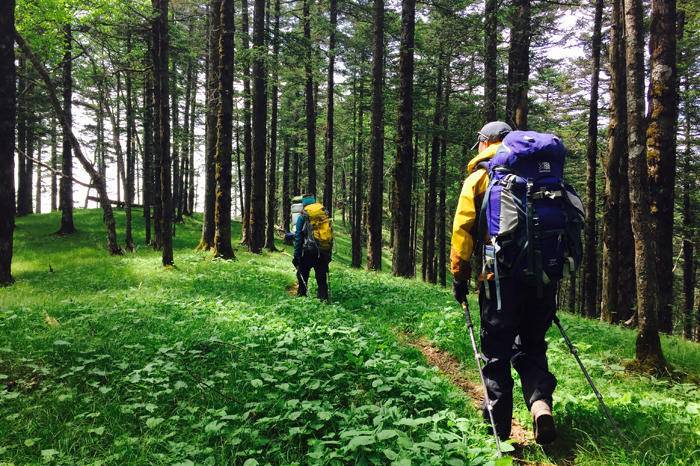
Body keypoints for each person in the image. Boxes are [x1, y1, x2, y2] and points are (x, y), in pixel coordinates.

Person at [451, 121, 558, 445]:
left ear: (485, 143)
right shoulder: (541, 172)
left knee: (496, 354)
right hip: (541, 278)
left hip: (498, 282)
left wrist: (459, 275)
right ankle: (540, 405)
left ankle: (496, 434)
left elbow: (463, 230)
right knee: (532, 345)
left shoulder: (481, 177)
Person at [293, 194, 333, 301]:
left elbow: (298, 236)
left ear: (304, 203)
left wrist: (296, 256)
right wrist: (329, 253)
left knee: (302, 272)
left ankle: (301, 296)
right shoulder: (324, 213)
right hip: (323, 250)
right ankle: (323, 298)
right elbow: (330, 234)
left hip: (308, 251)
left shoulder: (303, 215)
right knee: (321, 276)